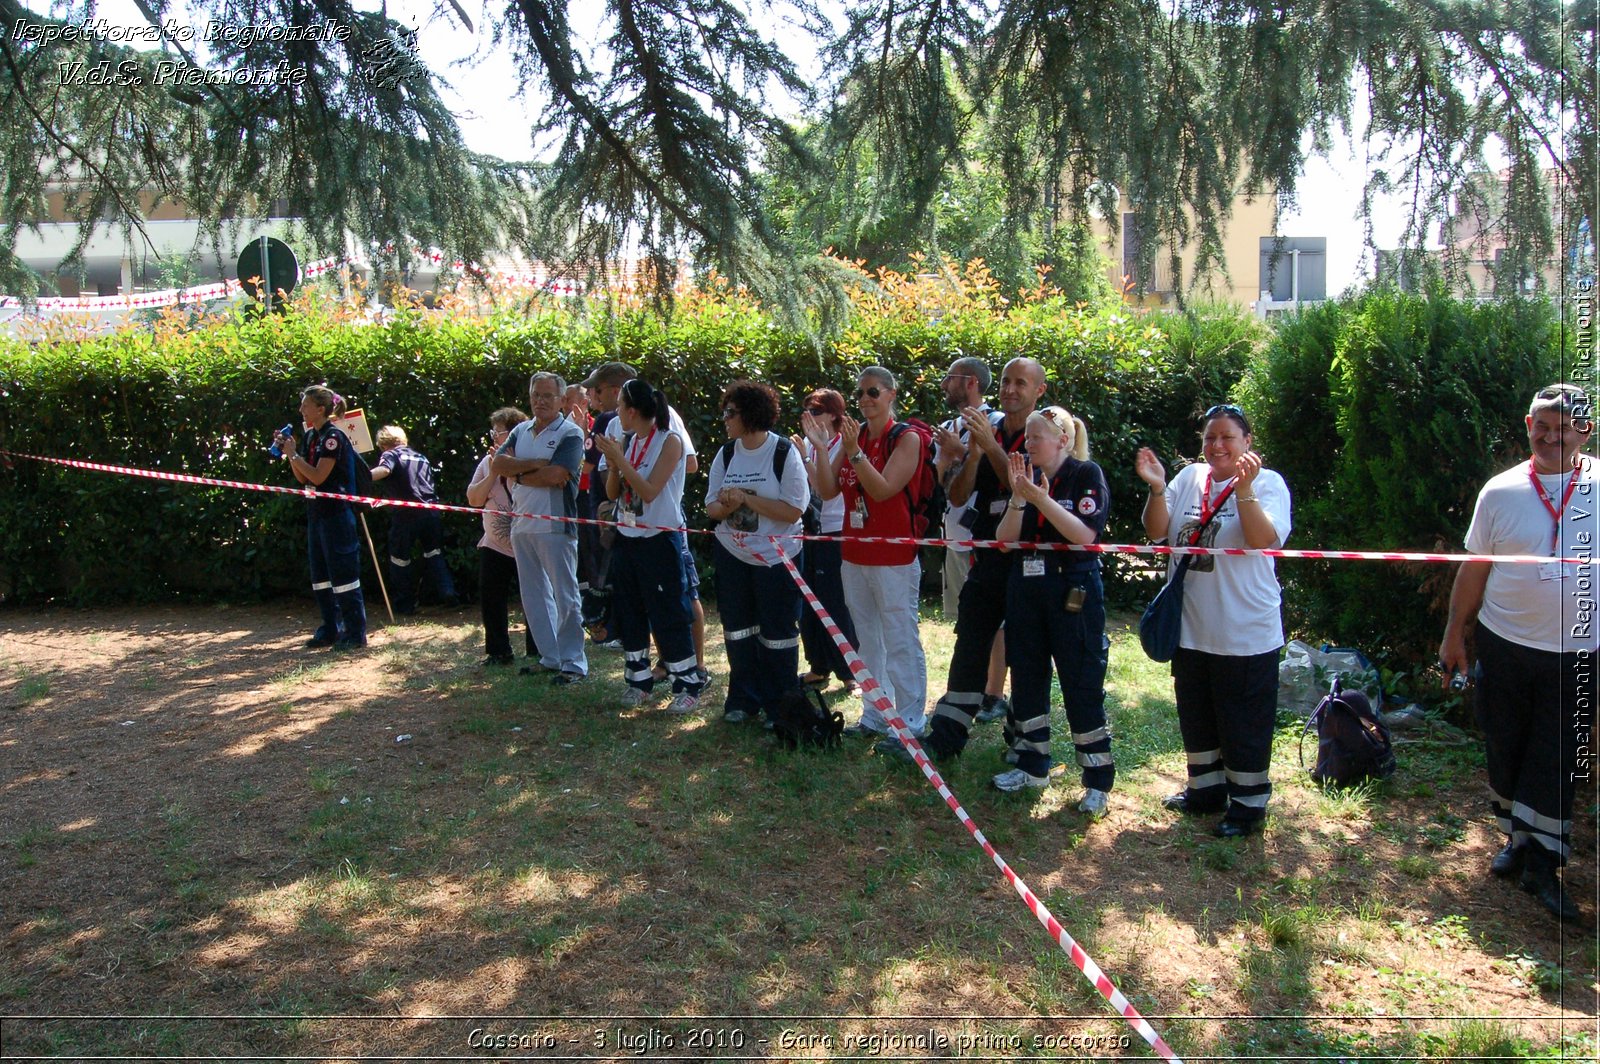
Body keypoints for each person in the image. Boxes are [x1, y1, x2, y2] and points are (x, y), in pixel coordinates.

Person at [1439, 383, 1596, 921]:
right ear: (1528, 427)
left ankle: (1542, 867)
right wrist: (1453, 635)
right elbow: (1475, 567)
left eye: (1565, 427)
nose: (1553, 437)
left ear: (1585, 430)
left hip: (1577, 651)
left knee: (1555, 757)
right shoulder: (1500, 491)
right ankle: (1516, 840)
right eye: (1542, 426)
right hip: (1505, 644)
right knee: (1505, 746)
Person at [1135, 403, 1291, 838]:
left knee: (1244, 720)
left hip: (1244, 631)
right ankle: (1204, 791)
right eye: (1210, 437)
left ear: (1247, 443)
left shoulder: (1270, 483)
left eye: (1227, 437)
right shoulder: (1190, 478)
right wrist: (1156, 488)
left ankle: (1247, 806)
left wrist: (1244, 489)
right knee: (1197, 714)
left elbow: (1263, 539)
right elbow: (1157, 532)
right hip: (1192, 627)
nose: (1217, 445)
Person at [924, 358, 1048, 762]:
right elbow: (958, 497)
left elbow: (1022, 486)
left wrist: (990, 447)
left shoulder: (1043, 435)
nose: (1010, 390)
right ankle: (947, 734)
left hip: (1029, 562)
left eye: (1021, 383)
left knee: (1027, 651)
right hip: (987, 556)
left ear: (1039, 391)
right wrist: (973, 455)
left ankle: (1026, 748)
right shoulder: (987, 430)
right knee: (970, 641)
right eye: (1007, 381)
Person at [992, 408, 1114, 811]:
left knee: (1081, 679)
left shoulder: (1085, 474)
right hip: (1026, 588)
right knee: (1026, 673)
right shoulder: (1023, 478)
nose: (1028, 445)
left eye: (1036, 437)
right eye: (1026, 438)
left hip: (1071, 590)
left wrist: (1041, 499)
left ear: (1062, 439)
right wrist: (1017, 496)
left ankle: (1096, 780)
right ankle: (1031, 765)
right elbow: (1005, 540)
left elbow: (1083, 535)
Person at [804, 366, 928, 758]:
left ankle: (910, 722)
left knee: (900, 638)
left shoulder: (905, 438)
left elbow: (884, 489)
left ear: (891, 394)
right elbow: (826, 490)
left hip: (893, 556)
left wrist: (854, 451)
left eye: (873, 392)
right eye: (860, 393)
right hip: (853, 554)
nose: (865, 399)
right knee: (865, 639)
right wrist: (824, 450)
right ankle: (876, 712)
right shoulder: (849, 438)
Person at [584, 361, 708, 677]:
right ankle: (647, 673)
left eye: (597, 390)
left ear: (621, 397)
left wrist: (625, 463)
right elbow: (611, 485)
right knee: (634, 604)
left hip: (662, 529)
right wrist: (615, 465)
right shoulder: (618, 430)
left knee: (678, 598)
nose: (593, 397)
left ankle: (693, 670)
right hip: (629, 529)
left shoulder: (667, 431)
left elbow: (674, 473)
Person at [706, 380, 810, 724]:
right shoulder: (726, 453)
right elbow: (710, 508)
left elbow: (794, 510)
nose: (725, 418)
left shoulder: (783, 452)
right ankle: (742, 699)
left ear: (750, 414)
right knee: (738, 629)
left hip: (777, 558)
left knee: (777, 632)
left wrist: (747, 498)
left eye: (730, 412)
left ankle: (779, 704)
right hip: (732, 554)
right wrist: (725, 504)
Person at [490, 371, 588, 685]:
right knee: (533, 595)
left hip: (556, 524)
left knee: (565, 595)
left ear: (561, 400)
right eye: (536, 395)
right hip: (522, 523)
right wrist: (533, 467)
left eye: (547, 395)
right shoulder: (520, 430)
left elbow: (558, 475)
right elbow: (498, 465)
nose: (540, 401)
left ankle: (574, 663)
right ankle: (551, 657)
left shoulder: (570, 434)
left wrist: (518, 471)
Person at [272, 385, 367, 649]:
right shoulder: (311, 436)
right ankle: (330, 628)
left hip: (337, 514)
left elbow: (318, 476)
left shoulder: (332, 437)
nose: (301, 409)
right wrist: (291, 454)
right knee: (320, 574)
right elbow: (303, 477)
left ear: (320, 409)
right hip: (316, 512)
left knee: (344, 573)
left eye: (305, 404)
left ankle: (355, 632)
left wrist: (293, 455)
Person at [794, 388, 859, 693]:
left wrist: (808, 455)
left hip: (837, 528)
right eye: (807, 411)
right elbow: (805, 489)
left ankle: (850, 671)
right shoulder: (808, 442)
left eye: (816, 411)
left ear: (834, 414)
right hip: (810, 529)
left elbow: (823, 489)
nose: (809, 417)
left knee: (835, 602)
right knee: (810, 601)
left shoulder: (844, 442)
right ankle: (818, 667)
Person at [467, 407, 536, 666]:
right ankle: (498, 651)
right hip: (494, 545)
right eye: (493, 433)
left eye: (499, 433)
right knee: (491, 595)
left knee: (533, 596)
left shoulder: (527, 460)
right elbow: (474, 499)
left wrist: (508, 469)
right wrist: (495, 471)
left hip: (527, 542)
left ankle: (537, 650)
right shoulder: (486, 463)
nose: (494, 438)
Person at [369, 424, 458, 614]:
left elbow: (384, 470)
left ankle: (404, 605)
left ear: (384, 443)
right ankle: (447, 591)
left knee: (400, 559)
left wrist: (363, 477)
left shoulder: (390, 454)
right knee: (434, 552)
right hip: (431, 510)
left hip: (406, 514)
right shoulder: (420, 456)